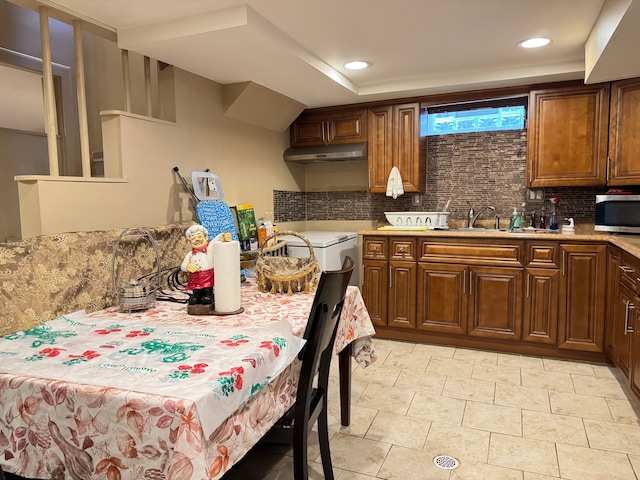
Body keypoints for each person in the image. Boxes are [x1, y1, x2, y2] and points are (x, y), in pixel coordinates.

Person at [181, 224, 215, 306]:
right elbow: (183, 265)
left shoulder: (210, 251)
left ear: (206, 238)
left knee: (207, 288)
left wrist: (224, 237)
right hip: (195, 277)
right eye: (193, 238)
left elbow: (217, 241)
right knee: (196, 289)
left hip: (208, 275)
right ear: (190, 242)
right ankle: (196, 296)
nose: (197, 240)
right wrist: (187, 266)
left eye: (199, 237)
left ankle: (208, 295)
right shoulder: (190, 254)